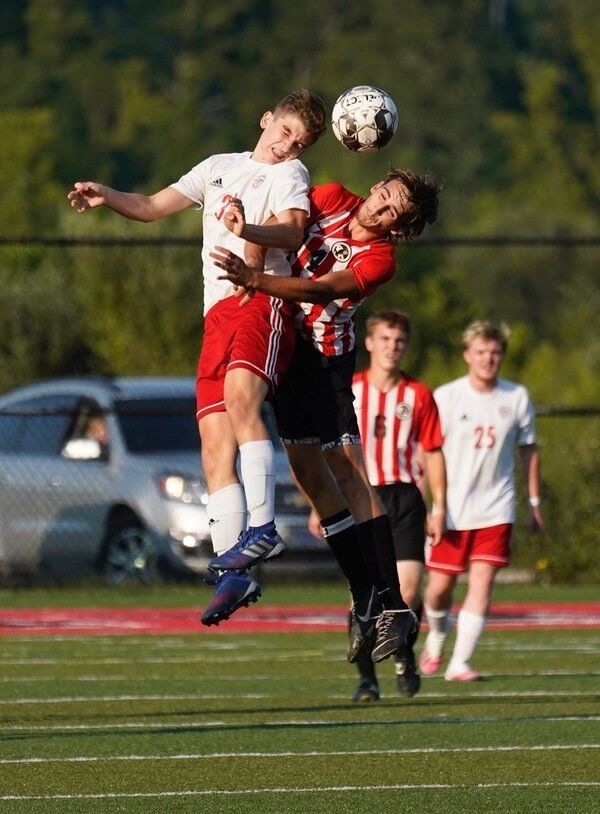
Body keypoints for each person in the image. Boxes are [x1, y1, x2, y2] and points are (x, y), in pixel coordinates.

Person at [67, 89, 327, 626]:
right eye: (283, 133)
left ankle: (263, 529)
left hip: (258, 300)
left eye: (299, 142)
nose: (287, 146)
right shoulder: (217, 168)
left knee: (240, 402)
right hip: (216, 317)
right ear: (265, 118)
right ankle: (235, 574)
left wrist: (245, 230)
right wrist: (107, 194)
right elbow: (152, 207)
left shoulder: (290, 176)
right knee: (212, 446)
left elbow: (293, 229)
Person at [211, 170, 441, 666]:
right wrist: (250, 247)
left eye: (391, 211)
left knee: (348, 470)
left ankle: (396, 606)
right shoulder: (333, 196)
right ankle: (364, 596)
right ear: (376, 184)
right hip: (287, 349)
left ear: (398, 228)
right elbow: (282, 227)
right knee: (309, 475)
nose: (378, 208)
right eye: (383, 194)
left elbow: (321, 291)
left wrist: (257, 280)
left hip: (325, 360)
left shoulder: (381, 260)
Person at [422, 320, 544, 681]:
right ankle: (438, 634)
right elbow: (428, 454)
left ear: (502, 356)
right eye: (481, 352)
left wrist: (534, 502)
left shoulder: (516, 397)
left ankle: (460, 663)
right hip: (452, 510)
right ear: (466, 355)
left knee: (482, 582)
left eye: (495, 352)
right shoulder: (446, 397)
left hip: (497, 507)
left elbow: (529, 451)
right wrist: (430, 504)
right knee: (439, 590)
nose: (488, 359)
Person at [344, 309, 446, 701]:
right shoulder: (349, 390)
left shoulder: (418, 395)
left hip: (404, 498)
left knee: (406, 589)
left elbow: (433, 452)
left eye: (399, 341)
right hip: (360, 495)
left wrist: (439, 506)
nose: (392, 347)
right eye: (385, 339)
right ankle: (367, 681)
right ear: (369, 342)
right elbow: (327, 452)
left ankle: (404, 653)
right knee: (361, 595)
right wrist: (319, 506)